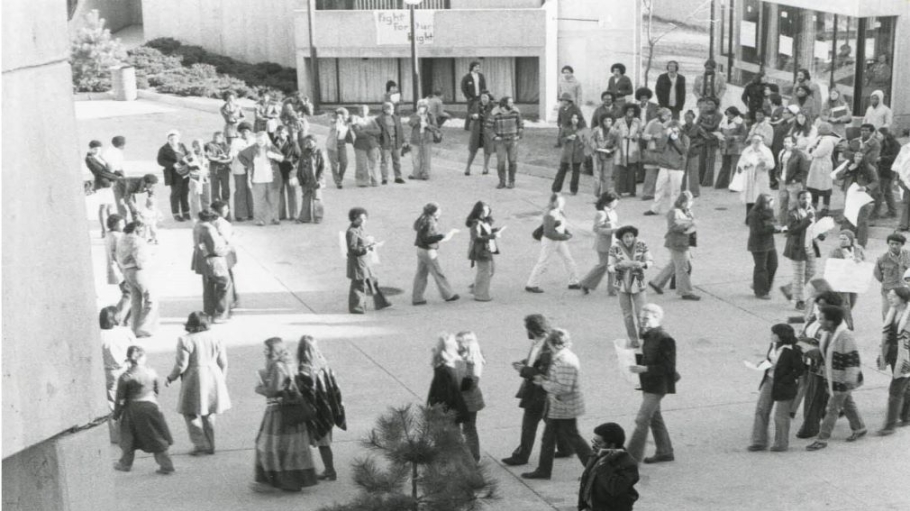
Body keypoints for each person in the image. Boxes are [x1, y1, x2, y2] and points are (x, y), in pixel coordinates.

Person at [521, 329, 593, 480]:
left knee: (572, 437)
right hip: (560, 405)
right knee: (549, 438)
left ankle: (594, 468)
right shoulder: (563, 357)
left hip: (564, 406)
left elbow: (564, 387)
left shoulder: (565, 361)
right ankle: (544, 470)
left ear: (555, 345)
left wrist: (543, 383)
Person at [503, 314, 574, 466]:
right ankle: (566, 447)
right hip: (540, 391)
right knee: (551, 420)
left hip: (539, 391)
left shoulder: (547, 348)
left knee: (529, 423)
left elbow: (544, 373)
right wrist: (525, 363)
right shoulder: (538, 343)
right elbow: (536, 363)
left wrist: (524, 369)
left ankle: (522, 455)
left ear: (532, 329)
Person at [252, 337, 318, 492]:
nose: (264, 351)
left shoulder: (277, 366)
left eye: (267, 349)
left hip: (277, 412)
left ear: (274, 351)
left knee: (268, 445)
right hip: (293, 410)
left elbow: (272, 391)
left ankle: (271, 480)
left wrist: (259, 387)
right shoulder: (289, 363)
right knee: (292, 447)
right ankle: (294, 481)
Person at [165, 312, 231, 456]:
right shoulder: (216, 338)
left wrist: (171, 377)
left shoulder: (185, 340)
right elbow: (223, 362)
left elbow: (181, 365)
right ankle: (211, 444)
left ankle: (200, 444)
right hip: (213, 375)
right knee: (209, 412)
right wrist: (222, 379)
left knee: (190, 412)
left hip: (194, 377)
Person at [805, 306, 867, 451]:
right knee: (847, 403)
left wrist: (849, 381)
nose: (819, 322)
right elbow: (826, 352)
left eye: (821, 319)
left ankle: (822, 439)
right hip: (832, 377)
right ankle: (859, 428)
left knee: (832, 408)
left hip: (842, 380)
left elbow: (853, 359)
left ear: (831, 321)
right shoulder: (828, 334)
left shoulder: (845, 336)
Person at [112, 346, 175, 474]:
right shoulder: (151, 372)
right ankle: (166, 465)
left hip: (132, 410)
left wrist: (116, 414)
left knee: (128, 438)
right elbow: (156, 390)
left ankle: (125, 464)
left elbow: (120, 399)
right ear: (143, 358)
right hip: (151, 407)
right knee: (156, 437)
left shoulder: (125, 377)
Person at [627, 304, 677, 463]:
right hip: (649, 382)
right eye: (641, 319)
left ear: (657, 318)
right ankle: (665, 451)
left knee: (642, 419)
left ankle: (631, 457)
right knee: (655, 416)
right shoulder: (649, 335)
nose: (642, 322)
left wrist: (645, 368)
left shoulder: (665, 339)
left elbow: (668, 367)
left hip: (657, 385)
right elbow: (649, 357)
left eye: (646, 319)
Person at [296, 335, 347, 481]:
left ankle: (328, 471)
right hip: (326, 410)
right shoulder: (323, 364)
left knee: (318, 443)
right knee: (324, 443)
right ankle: (328, 470)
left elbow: (304, 390)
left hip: (314, 411)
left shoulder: (305, 369)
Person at [748, 324, 804, 452]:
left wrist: (787, 378)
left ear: (781, 336)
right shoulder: (773, 345)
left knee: (781, 415)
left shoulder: (793, 350)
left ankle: (781, 443)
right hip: (769, 380)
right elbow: (770, 360)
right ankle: (759, 441)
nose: (771, 336)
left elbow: (799, 370)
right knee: (761, 409)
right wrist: (764, 364)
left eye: (773, 334)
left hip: (784, 385)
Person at [649, 191, 700, 300]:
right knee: (683, 267)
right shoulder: (673, 212)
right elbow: (672, 228)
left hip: (683, 243)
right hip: (676, 243)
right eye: (689, 201)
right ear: (683, 202)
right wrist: (688, 226)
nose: (691, 203)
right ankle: (684, 291)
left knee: (673, 264)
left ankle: (657, 282)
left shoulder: (687, 211)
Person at [577, 423, 640, 511]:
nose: (594, 445)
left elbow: (615, 488)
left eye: (599, 443)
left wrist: (604, 464)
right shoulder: (597, 454)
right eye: (594, 441)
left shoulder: (628, 464)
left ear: (612, 446)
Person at [526, 193, 580, 293]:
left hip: (558, 239)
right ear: (554, 202)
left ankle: (574, 282)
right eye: (560, 201)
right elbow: (548, 232)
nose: (562, 203)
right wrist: (564, 236)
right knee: (544, 262)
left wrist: (565, 233)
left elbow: (560, 226)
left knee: (568, 259)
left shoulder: (558, 212)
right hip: (551, 240)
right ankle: (531, 284)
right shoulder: (550, 214)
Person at [609, 226, 653, 344]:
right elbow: (610, 267)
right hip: (621, 285)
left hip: (638, 284)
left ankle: (643, 338)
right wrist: (618, 266)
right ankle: (633, 339)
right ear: (621, 238)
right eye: (626, 236)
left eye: (631, 236)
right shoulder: (615, 247)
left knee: (641, 314)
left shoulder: (641, 245)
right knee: (627, 315)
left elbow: (650, 261)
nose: (629, 239)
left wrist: (642, 264)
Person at [780, 191, 822, 311]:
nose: (806, 200)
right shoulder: (792, 213)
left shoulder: (812, 210)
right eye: (803, 198)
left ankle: (789, 289)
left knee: (811, 271)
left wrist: (822, 233)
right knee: (799, 276)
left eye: (808, 198)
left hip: (810, 246)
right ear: (798, 200)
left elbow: (815, 228)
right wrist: (807, 220)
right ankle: (799, 301)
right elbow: (793, 230)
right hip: (797, 248)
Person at [100, 305, 136, 444]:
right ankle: (132, 430)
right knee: (129, 399)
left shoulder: (99, 334)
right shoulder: (125, 332)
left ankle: (117, 435)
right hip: (126, 368)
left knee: (112, 403)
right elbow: (136, 349)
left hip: (109, 371)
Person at [412, 202, 459, 305]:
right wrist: (441, 236)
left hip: (420, 250)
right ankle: (448, 294)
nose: (440, 211)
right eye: (438, 209)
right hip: (428, 251)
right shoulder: (430, 221)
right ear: (433, 212)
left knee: (421, 274)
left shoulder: (423, 218)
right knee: (438, 272)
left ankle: (417, 297)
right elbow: (428, 239)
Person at [346, 207, 391, 314]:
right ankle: (357, 307)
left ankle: (381, 302)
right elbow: (353, 249)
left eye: (364, 219)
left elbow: (364, 239)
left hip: (365, 261)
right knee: (359, 284)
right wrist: (366, 248)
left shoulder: (361, 228)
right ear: (353, 219)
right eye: (359, 219)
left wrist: (370, 243)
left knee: (372, 281)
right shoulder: (351, 232)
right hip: (358, 262)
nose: (362, 221)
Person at [877, 287, 910, 435]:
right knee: (905, 387)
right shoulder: (893, 312)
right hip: (893, 355)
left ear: (903, 299)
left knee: (895, 391)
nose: (890, 299)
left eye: (894, 297)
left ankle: (889, 426)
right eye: (889, 296)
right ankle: (906, 416)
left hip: (905, 358)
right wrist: (882, 354)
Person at [116, 221, 158, 337]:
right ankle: (144, 327)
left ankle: (134, 328)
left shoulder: (122, 239)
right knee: (151, 298)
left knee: (135, 301)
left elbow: (117, 257)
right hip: (138, 272)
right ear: (137, 229)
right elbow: (140, 260)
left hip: (126, 271)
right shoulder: (138, 241)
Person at [191, 210, 233, 322]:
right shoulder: (209, 229)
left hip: (202, 260)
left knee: (208, 286)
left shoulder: (197, 226)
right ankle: (221, 313)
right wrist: (227, 248)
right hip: (214, 260)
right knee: (224, 284)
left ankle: (208, 312)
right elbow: (216, 248)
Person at [237, 131, 284, 226]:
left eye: (262, 140)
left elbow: (282, 158)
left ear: (266, 139)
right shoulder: (252, 149)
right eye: (258, 140)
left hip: (271, 178)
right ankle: (259, 220)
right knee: (258, 201)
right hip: (258, 179)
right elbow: (240, 155)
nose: (260, 142)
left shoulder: (271, 147)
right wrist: (249, 164)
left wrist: (274, 155)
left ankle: (275, 218)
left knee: (273, 199)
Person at [833, 150, 879, 248]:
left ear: (864, 158)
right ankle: (847, 242)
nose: (857, 158)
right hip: (850, 195)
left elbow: (875, 182)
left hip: (862, 196)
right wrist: (848, 169)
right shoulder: (849, 165)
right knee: (849, 217)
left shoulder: (869, 168)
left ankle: (862, 243)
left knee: (862, 219)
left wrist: (866, 187)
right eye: (856, 156)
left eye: (860, 156)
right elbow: (838, 176)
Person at [455, 331, 486, 463]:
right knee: (464, 428)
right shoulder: (460, 356)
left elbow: (471, 384)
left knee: (468, 428)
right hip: (462, 399)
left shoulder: (473, 360)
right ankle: (466, 456)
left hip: (467, 400)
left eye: (459, 341)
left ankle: (473, 457)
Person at [579, 192, 619, 296]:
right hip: (604, 244)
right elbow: (596, 229)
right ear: (608, 202)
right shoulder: (601, 213)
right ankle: (586, 283)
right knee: (603, 265)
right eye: (614, 201)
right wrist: (611, 231)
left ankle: (612, 289)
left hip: (612, 242)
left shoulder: (612, 212)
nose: (616, 203)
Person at [647, 120, 689, 215]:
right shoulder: (665, 137)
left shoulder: (684, 138)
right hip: (665, 165)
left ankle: (673, 210)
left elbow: (684, 150)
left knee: (675, 190)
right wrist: (666, 136)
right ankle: (655, 208)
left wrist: (675, 139)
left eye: (676, 129)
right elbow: (659, 148)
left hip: (677, 167)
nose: (674, 132)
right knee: (659, 187)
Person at [427, 333, 469, 423]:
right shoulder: (454, 365)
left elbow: (439, 391)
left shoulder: (441, 367)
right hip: (452, 407)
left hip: (445, 408)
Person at [465, 201, 501, 302]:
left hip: (486, 248)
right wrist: (493, 236)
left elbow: (485, 232)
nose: (488, 210)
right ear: (480, 211)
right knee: (485, 270)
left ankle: (477, 288)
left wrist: (494, 231)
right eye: (486, 209)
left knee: (489, 270)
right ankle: (480, 294)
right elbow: (476, 237)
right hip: (480, 249)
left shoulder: (484, 221)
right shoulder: (476, 223)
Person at [747, 194, 781, 299]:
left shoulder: (769, 212)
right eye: (768, 201)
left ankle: (762, 285)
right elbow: (757, 231)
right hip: (758, 245)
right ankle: (761, 291)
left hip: (769, 243)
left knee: (773, 265)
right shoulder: (754, 214)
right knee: (761, 267)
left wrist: (777, 229)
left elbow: (772, 224)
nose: (771, 203)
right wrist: (771, 229)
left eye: (772, 200)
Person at [827, 229, 864, 325]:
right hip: (841, 281)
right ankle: (845, 323)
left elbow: (864, 262)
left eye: (845, 239)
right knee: (844, 303)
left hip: (854, 280)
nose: (842, 241)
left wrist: (860, 261)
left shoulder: (858, 249)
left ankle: (842, 317)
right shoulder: (835, 251)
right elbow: (831, 265)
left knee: (852, 300)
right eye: (840, 239)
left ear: (851, 240)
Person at [86, 140, 119, 237]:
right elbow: (100, 172)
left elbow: (108, 168)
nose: (97, 151)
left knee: (110, 206)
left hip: (108, 184)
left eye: (98, 149)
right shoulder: (89, 158)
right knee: (103, 206)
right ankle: (104, 230)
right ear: (90, 149)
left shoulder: (100, 157)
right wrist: (115, 177)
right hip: (101, 184)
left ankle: (112, 228)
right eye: (94, 149)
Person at [739, 134, 776, 220]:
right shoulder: (747, 150)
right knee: (750, 198)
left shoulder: (766, 151)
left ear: (762, 142)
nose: (756, 143)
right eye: (754, 141)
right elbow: (741, 164)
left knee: (762, 197)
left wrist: (764, 163)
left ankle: (762, 219)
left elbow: (772, 165)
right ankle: (749, 219)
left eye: (758, 141)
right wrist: (747, 164)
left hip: (761, 176)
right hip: (750, 176)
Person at [157, 130, 192, 222]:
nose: (173, 141)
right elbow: (160, 161)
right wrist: (172, 164)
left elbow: (188, 154)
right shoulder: (164, 149)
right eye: (170, 139)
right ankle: (176, 214)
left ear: (178, 139)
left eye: (174, 139)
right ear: (168, 140)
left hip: (185, 172)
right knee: (176, 193)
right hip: (173, 174)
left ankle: (186, 212)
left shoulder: (182, 146)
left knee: (185, 192)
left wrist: (189, 160)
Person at [873, 233, 910, 319]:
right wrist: (887, 283)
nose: (894, 246)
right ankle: (889, 332)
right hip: (889, 291)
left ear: (902, 244)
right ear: (888, 244)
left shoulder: (908, 255)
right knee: (888, 314)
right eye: (891, 243)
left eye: (897, 244)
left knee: (906, 314)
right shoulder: (882, 258)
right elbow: (877, 274)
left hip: (906, 290)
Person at [211, 200, 239, 308]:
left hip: (222, 252)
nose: (227, 211)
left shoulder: (213, 221)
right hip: (225, 252)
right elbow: (228, 239)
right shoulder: (222, 223)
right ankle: (231, 300)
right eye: (225, 209)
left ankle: (231, 299)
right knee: (227, 277)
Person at [491, 96, 524, 189]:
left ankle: (511, 181)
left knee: (512, 161)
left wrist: (519, 135)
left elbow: (521, 124)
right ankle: (502, 182)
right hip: (500, 141)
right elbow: (488, 127)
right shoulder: (495, 112)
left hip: (513, 140)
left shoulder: (515, 111)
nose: (512, 104)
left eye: (512, 102)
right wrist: (494, 136)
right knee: (501, 162)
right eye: (510, 103)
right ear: (504, 104)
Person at [552, 112, 588, 195]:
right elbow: (560, 139)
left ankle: (574, 189)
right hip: (567, 152)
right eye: (573, 118)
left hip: (578, 152)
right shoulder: (565, 128)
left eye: (576, 118)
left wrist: (582, 144)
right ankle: (556, 188)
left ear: (579, 120)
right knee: (562, 170)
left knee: (576, 171)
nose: (575, 120)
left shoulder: (582, 129)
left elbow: (586, 140)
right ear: (570, 119)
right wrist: (568, 138)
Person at [776, 135, 809, 225]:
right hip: (783, 182)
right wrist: (778, 175)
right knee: (783, 204)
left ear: (794, 143)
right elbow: (779, 166)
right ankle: (783, 225)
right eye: (785, 142)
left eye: (788, 142)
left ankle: (793, 226)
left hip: (794, 184)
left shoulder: (799, 154)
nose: (786, 144)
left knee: (793, 205)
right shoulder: (782, 152)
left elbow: (804, 170)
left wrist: (795, 179)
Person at [104, 214, 131, 323]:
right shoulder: (118, 236)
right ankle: (117, 317)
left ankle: (126, 319)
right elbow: (119, 253)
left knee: (128, 294)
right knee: (128, 294)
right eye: (120, 223)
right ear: (114, 225)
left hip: (115, 269)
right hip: (121, 269)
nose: (123, 225)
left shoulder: (109, 235)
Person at [805, 121, 837, 212]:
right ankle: (814, 205)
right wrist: (811, 150)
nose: (818, 130)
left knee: (825, 186)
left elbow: (818, 153)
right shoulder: (818, 138)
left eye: (821, 128)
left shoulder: (828, 140)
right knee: (814, 185)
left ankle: (825, 207)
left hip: (824, 165)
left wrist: (812, 151)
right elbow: (808, 148)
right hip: (815, 164)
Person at [293, 134, 324, 224]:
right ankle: (304, 217)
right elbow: (300, 167)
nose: (309, 144)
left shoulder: (319, 152)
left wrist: (320, 180)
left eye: (311, 142)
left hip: (315, 179)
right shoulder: (304, 153)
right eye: (307, 142)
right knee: (306, 198)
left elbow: (322, 166)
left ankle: (318, 217)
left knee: (317, 198)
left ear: (315, 142)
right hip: (305, 179)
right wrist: (299, 177)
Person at [639, 103, 668, 199]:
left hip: (665, 150)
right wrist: (652, 137)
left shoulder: (670, 123)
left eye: (668, 115)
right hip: (652, 149)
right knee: (651, 171)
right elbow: (644, 135)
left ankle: (659, 193)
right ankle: (647, 193)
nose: (666, 117)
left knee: (662, 172)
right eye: (664, 115)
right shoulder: (652, 123)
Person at [613, 104, 642, 197]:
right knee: (620, 169)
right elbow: (613, 132)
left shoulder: (637, 121)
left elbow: (640, 133)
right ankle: (618, 191)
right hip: (621, 146)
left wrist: (635, 137)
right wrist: (620, 136)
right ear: (625, 111)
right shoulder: (618, 121)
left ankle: (631, 190)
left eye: (632, 111)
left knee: (632, 169)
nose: (630, 112)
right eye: (629, 110)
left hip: (632, 147)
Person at [872, 127, 901, 220]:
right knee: (887, 191)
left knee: (880, 192)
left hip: (888, 170)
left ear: (885, 135)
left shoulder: (894, 144)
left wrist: (882, 158)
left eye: (879, 134)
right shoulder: (884, 143)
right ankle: (892, 211)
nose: (877, 136)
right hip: (883, 169)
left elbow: (896, 157)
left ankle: (875, 213)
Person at [272, 126, 300, 221]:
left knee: (292, 193)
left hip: (290, 171)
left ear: (287, 133)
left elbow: (298, 156)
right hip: (278, 171)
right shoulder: (273, 143)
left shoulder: (293, 143)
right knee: (279, 193)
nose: (281, 135)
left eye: (283, 132)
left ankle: (293, 215)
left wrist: (293, 165)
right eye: (279, 133)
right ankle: (281, 214)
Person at [716, 107, 747, 189]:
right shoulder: (723, 121)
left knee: (735, 166)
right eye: (727, 113)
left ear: (735, 113)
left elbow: (744, 136)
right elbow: (719, 131)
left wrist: (733, 137)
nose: (728, 115)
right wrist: (720, 136)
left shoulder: (741, 122)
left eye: (730, 114)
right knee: (725, 165)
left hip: (736, 147)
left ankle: (735, 185)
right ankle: (722, 183)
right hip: (725, 146)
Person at [465, 91, 496, 176]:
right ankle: (468, 168)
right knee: (472, 149)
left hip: (487, 130)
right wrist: (472, 116)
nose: (484, 99)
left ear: (489, 98)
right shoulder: (476, 105)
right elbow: (469, 114)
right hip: (477, 130)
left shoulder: (493, 106)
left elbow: (496, 117)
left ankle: (485, 167)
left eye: (485, 97)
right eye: (482, 97)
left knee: (488, 149)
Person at [229, 123, 255, 222]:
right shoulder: (236, 142)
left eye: (247, 131)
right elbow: (233, 154)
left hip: (251, 168)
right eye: (243, 131)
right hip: (239, 167)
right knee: (240, 190)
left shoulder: (253, 140)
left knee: (250, 189)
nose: (245, 133)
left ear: (250, 132)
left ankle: (251, 212)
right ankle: (240, 214)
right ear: (240, 132)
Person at [407, 100, 439, 180]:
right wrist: (419, 117)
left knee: (426, 156)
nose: (422, 108)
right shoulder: (414, 115)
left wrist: (427, 125)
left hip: (427, 138)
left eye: (424, 106)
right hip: (416, 138)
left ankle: (426, 173)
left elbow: (435, 127)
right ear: (417, 107)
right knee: (415, 156)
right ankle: (415, 172)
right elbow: (411, 123)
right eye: (420, 106)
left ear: (427, 107)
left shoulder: (431, 116)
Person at [351, 105, 382, 187]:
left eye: (364, 110)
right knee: (361, 163)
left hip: (372, 144)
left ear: (368, 111)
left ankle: (375, 180)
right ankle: (362, 181)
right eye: (360, 110)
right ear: (358, 111)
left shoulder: (372, 120)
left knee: (374, 162)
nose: (363, 112)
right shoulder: (355, 120)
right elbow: (358, 133)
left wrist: (366, 131)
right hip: (360, 145)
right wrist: (371, 133)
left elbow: (378, 131)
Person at [696, 97, 723, 188]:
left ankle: (708, 181)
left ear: (716, 105)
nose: (709, 106)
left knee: (710, 159)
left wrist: (702, 125)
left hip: (713, 138)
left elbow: (713, 126)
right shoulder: (702, 113)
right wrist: (701, 128)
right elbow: (696, 124)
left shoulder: (719, 115)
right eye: (707, 104)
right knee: (701, 159)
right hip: (703, 138)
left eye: (711, 104)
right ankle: (700, 179)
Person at [377, 101, 406, 185]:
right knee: (384, 161)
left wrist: (403, 140)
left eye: (393, 108)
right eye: (391, 108)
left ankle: (398, 177)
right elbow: (378, 132)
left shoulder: (396, 118)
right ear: (385, 109)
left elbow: (400, 130)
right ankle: (384, 178)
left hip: (396, 141)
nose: (393, 110)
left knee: (397, 160)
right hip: (385, 142)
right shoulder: (379, 119)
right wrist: (378, 143)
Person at [205, 132, 233, 216]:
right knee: (215, 192)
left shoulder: (227, 146)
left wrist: (220, 160)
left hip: (224, 170)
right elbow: (208, 157)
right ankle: (215, 213)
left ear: (222, 138)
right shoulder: (209, 145)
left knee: (226, 191)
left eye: (219, 137)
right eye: (215, 137)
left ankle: (226, 213)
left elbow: (230, 158)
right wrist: (219, 158)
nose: (216, 138)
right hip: (214, 171)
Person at [326, 107, 353, 189]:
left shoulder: (347, 123)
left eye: (346, 116)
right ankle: (338, 181)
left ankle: (339, 178)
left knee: (344, 163)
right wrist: (337, 119)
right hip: (333, 144)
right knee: (334, 164)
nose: (345, 117)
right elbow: (333, 125)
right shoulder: (333, 122)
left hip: (342, 144)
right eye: (343, 116)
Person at [591, 115, 617, 196]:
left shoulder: (615, 131)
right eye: (605, 121)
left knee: (607, 175)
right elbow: (592, 140)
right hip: (597, 155)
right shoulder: (596, 130)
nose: (607, 123)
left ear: (612, 121)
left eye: (609, 120)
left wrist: (612, 150)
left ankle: (605, 194)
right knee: (597, 175)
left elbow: (617, 144)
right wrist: (594, 146)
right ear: (602, 121)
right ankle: (596, 193)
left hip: (609, 155)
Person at [187, 139, 212, 221]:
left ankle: (206, 216)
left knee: (206, 199)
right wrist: (190, 168)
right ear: (193, 147)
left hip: (205, 180)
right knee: (195, 200)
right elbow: (178, 166)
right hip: (194, 180)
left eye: (201, 145)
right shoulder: (190, 156)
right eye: (197, 145)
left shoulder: (206, 155)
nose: (199, 147)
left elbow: (209, 166)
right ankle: (196, 218)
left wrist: (208, 173)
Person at [460, 61, 487, 131]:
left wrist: (484, 95)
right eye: (476, 67)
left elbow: (484, 87)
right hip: (471, 98)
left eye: (478, 67)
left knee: (481, 111)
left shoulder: (481, 76)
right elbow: (463, 88)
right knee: (470, 112)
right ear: (472, 67)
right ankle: (467, 127)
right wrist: (468, 97)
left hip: (480, 97)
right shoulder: (467, 77)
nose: (478, 68)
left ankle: (481, 126)